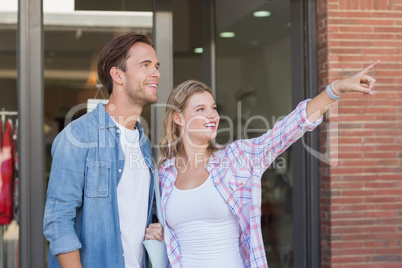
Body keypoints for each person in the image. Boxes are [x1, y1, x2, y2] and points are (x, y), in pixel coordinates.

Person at [145, 60, 380, 267]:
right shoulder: (163, 175)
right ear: (178, 118)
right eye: (201, 109)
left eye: (214, 108)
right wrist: (158, 233)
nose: (212, 115)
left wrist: (335, 89)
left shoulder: (236, 157)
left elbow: (288, 129)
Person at [43, 33, 162, 268]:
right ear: (117, 75)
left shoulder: (144, 144)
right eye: (145, 65)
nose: (156, 73)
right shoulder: (78, 136)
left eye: (156, 66)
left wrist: (154, 227)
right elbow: (58, 222)